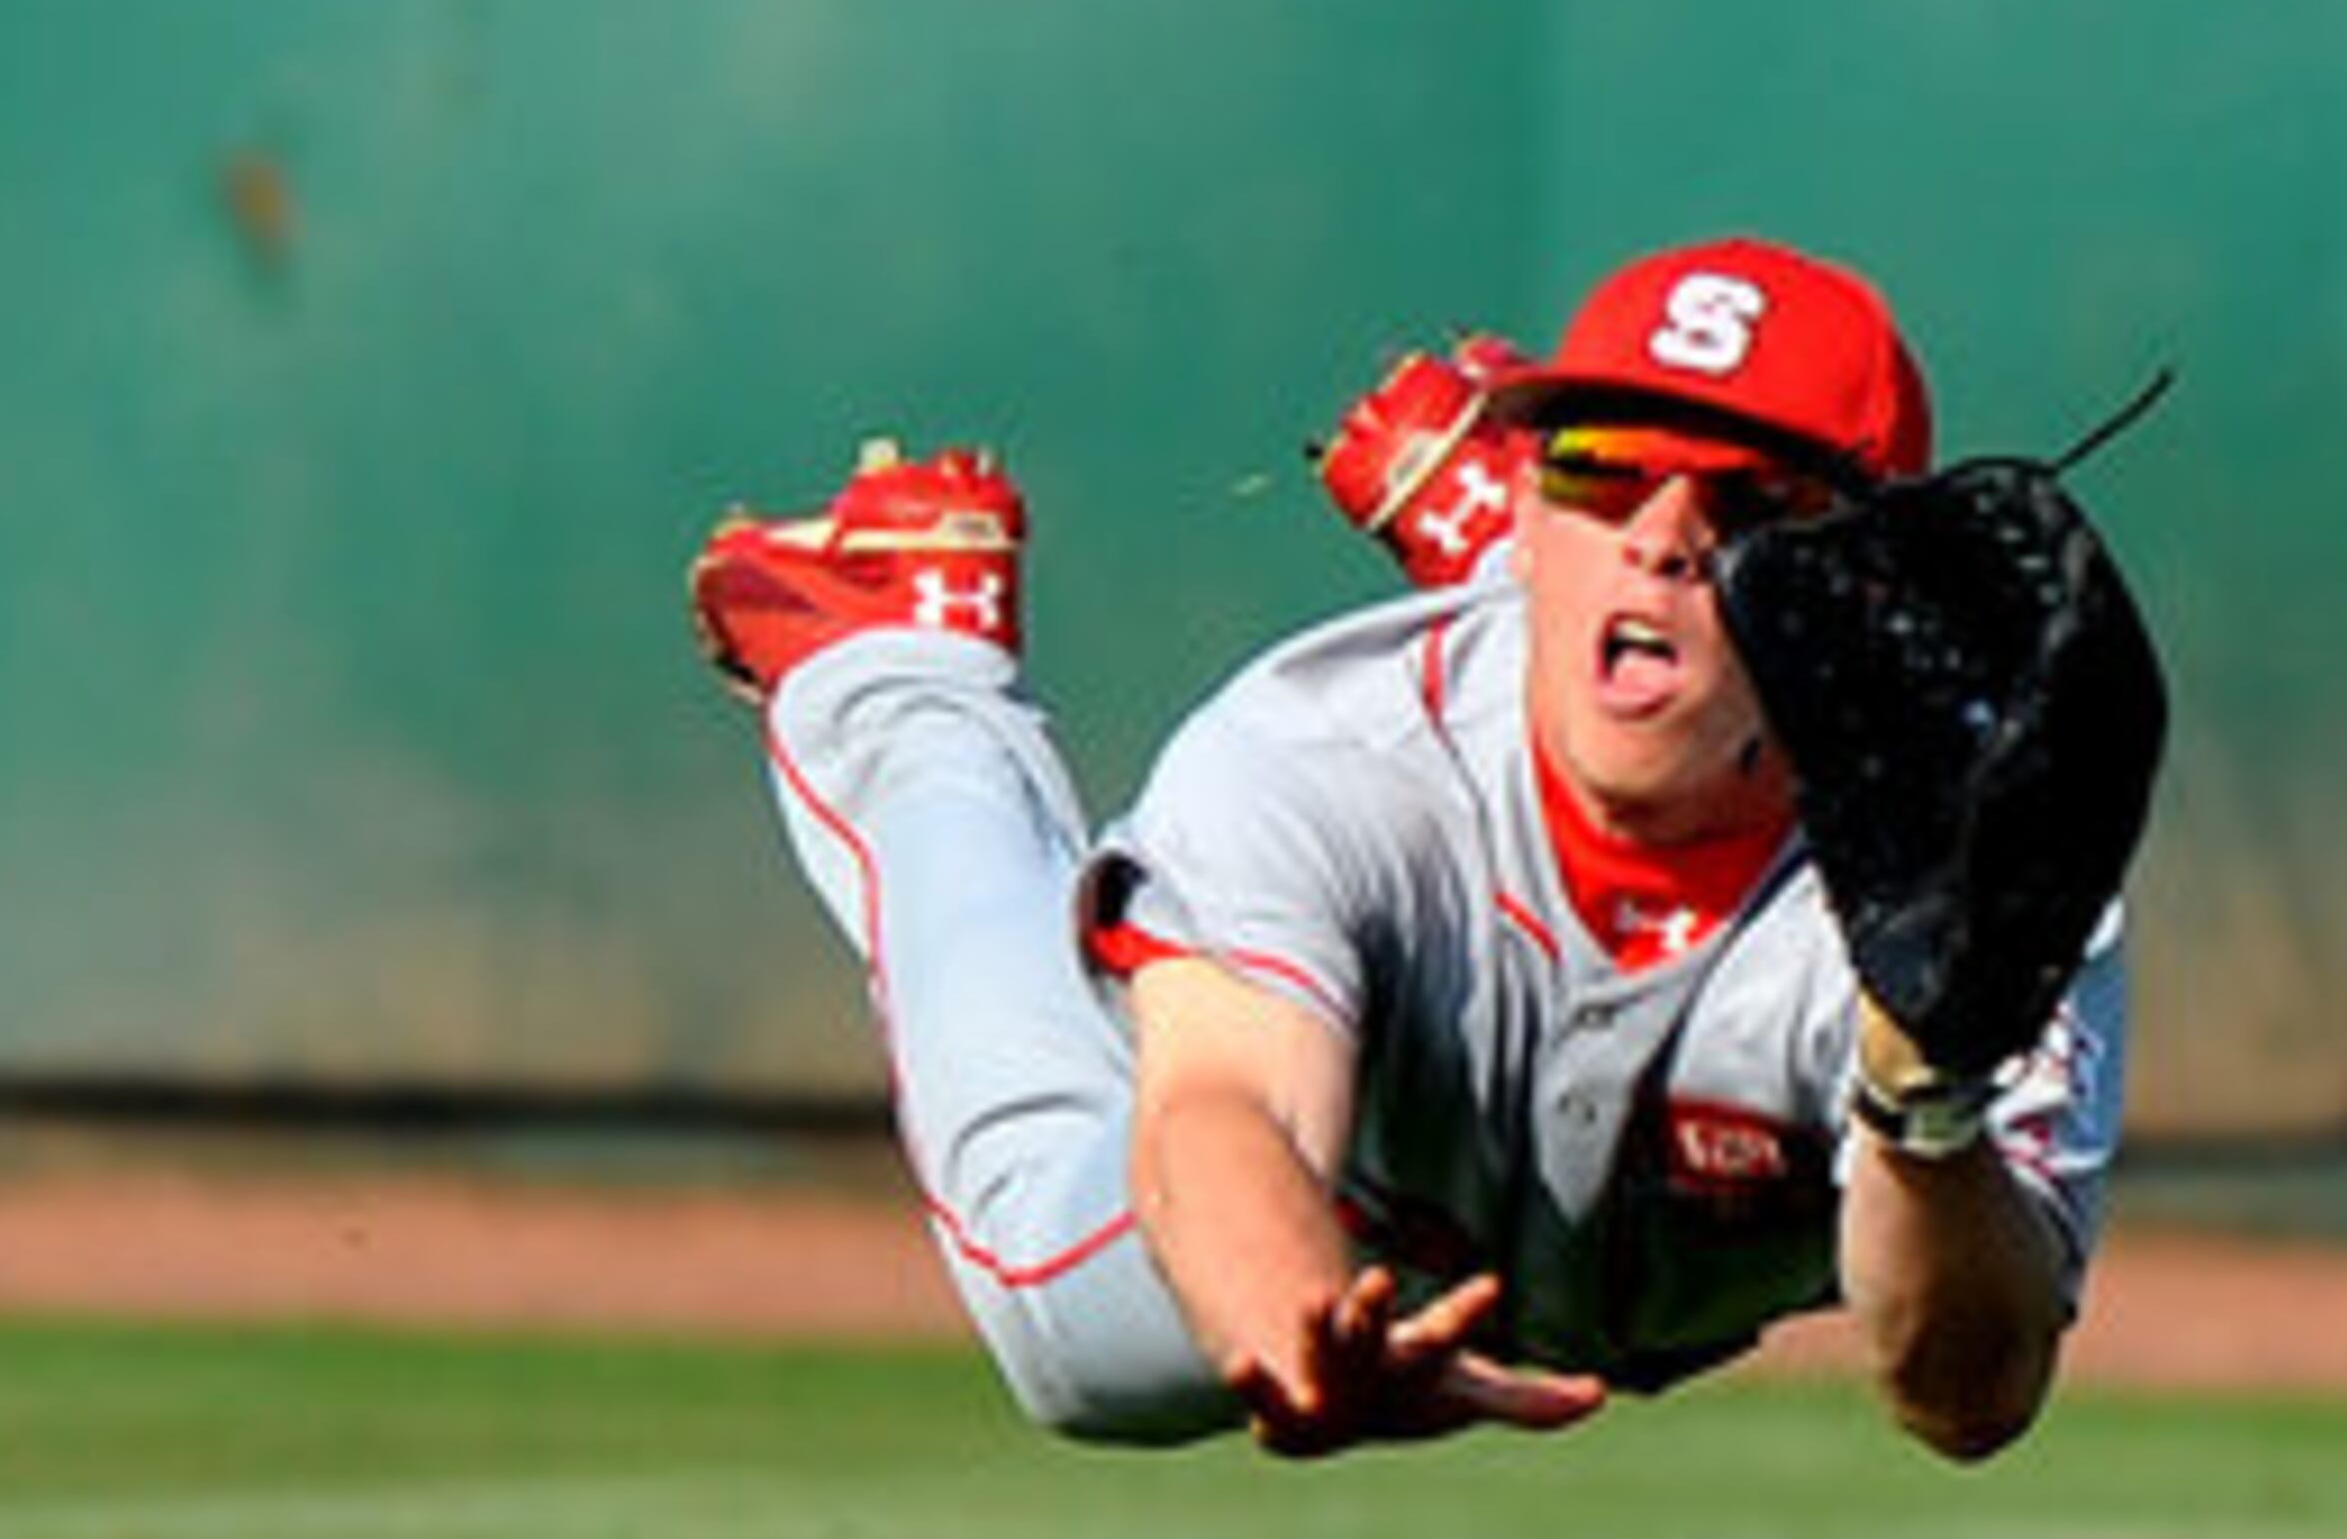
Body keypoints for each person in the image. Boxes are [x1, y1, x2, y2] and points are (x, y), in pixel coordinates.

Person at [688, 234, 2133, 1463]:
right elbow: (1220, 1114)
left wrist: (1924, 1099)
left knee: (1654, 670)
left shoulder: (1988, 854)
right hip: (1368, 1204)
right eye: (1597, 469)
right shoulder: (1329, 756)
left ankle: (1532, 569)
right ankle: (899, 669)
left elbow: (1966, 1394)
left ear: (1877, 582)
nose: (1660, 534)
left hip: (1666, 1188)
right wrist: (1303, 1322)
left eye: (1751, 501)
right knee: (1063, 1321)